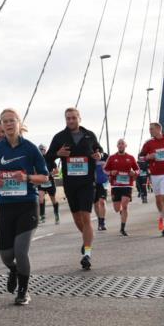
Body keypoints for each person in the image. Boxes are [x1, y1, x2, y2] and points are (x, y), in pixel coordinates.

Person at [0, 108, 49, 306]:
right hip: (5, 207)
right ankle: (13, 269)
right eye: (5, 121)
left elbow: (45, 177)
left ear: (19, 123)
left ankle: (23, 290)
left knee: (21, 251)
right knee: (6, 255)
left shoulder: (30, 148)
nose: (8, 124)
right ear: (1, 126)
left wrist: (27, 177)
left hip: (27, 205)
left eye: (12, 120)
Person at [44, 108, 103, 271]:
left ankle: (87, 253)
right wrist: (57, 153)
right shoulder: (59, 137)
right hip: (70, 184)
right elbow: (47, 158)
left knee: (86, 215)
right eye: (68, 118)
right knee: (77, 218)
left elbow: (100, 150)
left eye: (73, 118)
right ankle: (86, 240)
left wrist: (99, 155)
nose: (70, 121)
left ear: (79, 118)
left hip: (87, 182)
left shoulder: (89, 135)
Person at [139, 122, 164, 237]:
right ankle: (162, 217)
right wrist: (147, 157)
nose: (150, 131)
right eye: (149, 129)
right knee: (158, 199)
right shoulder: (148, 143)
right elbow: (140, 157)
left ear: (158, 129)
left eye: (151, 129)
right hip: (155, 174)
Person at [105, 139, 140, 236]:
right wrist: (111, 172)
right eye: (119, 144)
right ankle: (121, 212)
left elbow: (137, 169)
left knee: (124, 205)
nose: (121, 145)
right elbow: (105, 169)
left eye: (122, 144)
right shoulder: (112, 157)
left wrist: (135, 173)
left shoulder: (130, 157)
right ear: (117, 146)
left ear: (126, 146)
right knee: (117, 208)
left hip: (127, 184)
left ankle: (122, 228)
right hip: (116, 185)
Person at [37, 144, 60, 225]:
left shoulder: (50, 160)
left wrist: (50, 173)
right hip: (41, 182)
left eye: (42, 149)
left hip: (50, 182)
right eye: (40, 149)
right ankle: (42, 216)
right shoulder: (37, 159)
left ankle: (57, 215)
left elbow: (57, 171)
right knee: (40, 198)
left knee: (53, 199)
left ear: (45, 150)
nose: (41, 151)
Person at [94, 158, 109, 231]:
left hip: (103, 182)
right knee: (96, 204)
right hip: (92, 183)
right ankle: (99, 221)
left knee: (102, 202)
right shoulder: (88, 155)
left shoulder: (105, 156)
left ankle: (102, 223)